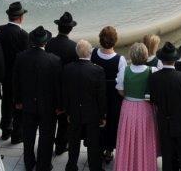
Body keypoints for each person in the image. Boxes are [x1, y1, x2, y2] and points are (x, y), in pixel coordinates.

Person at [14, 25, 62, 171]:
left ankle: (29, 163)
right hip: (48, 106)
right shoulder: (54, 60)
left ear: (31, 41)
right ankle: (44, 165)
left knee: (28, 135)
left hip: (27, 103)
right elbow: (57, 86)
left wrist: (18, 101)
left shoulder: (20, 57)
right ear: (45, 42)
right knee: (46, 136)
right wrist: (59, 105)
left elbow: (16, 81)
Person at [149, 42, 181, 171]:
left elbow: (153, 99)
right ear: (175, 60)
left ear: (161, 59)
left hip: (163, 121)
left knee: (167, 156)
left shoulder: (154, 77)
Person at [63, 39, 107, 171]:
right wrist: (102, 115)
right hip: (92, 112)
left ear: (77, 52)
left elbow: (65, 93)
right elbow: (101, 96)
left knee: (73, 141)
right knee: (93, 142)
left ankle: (71, 166)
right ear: (90, 53)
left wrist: (68, 111)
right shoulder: (98, 70)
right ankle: (95, 167)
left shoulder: (68, 68)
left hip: (74, 111)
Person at [115, 41, 158, 171]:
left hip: (128, 107)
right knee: (145, 138)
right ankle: (144, 165)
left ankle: (126, 165)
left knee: (127, 138)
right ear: (145, 55)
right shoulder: (153, 70)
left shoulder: (124, 70)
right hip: (146, 108)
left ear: (131, 55)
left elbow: (120, 90)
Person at [0, 1, 30, 143]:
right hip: (18, 75)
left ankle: (5, 129)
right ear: (21, 18)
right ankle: (17, 133)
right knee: (18, 103)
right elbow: (25, 58)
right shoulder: (24, 35)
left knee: (6, 100)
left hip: (4, 72)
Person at [92, 26, 127, 165]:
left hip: (96, 96)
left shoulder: (93, 53)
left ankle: (97, 149)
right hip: (112, 99)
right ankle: (108, 150)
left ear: (100, 39)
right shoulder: (120, 60)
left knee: (96, 122)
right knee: (112, 124)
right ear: (115, 41)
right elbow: (122, 82)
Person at [48, 12, 80, 155]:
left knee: (49, 120)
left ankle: (47, 145)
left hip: (49, 88)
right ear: (71, 29)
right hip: (65, 89)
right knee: (64, 121)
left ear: (58, 27)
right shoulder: (74, 47)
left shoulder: (49, 43)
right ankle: (61, 145)